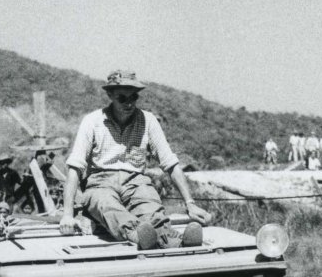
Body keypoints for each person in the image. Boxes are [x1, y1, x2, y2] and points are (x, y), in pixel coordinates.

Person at [59, 70, 210, 250]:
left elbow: (170, 163)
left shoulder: (148, 120)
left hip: (136, 182)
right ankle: (138, 234)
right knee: (106, 205)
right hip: (100, 182)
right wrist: (67, 214)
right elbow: (75, 168)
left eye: (134, 97)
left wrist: (190, 204)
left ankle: (176, 241)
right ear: (110, 95)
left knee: (150, 206)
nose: (129, 103)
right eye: (122, 98)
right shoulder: (92, 121)